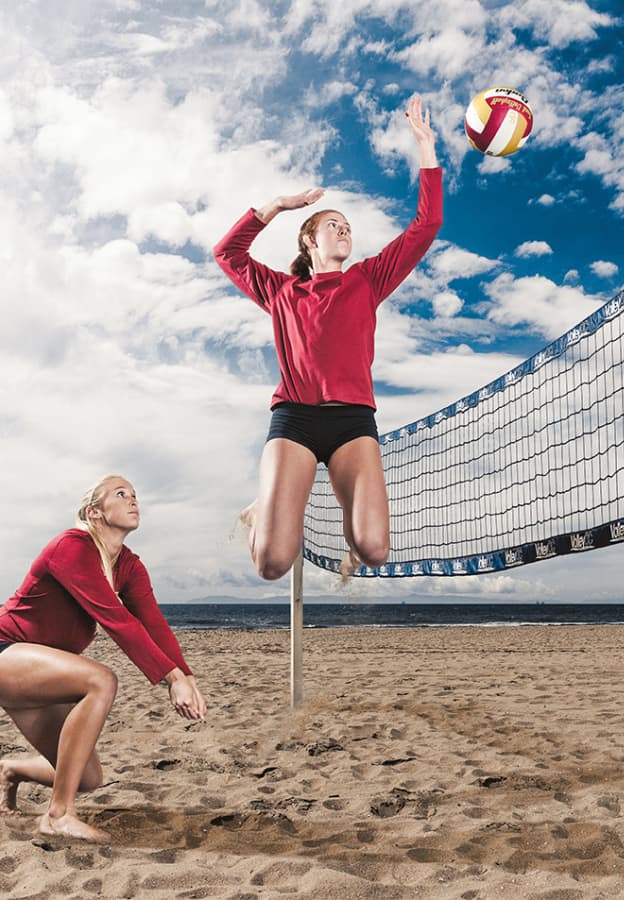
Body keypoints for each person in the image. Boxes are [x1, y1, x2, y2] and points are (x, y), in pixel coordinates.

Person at [213, 93, 443, 581]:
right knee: (272, 563)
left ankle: (339, 514)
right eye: (333, 226)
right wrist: (277, 205)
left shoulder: (367, 279)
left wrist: (425, 148)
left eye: (348, 227)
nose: (344, 231)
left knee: (374, 549)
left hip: (352, 422)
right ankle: (265, 511)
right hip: (294, 419)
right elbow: (227, 254)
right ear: (309, 240)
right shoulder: (280, 290)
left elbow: (426, 226)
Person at [0, 475, 206, 843]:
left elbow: (153, 623)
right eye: (121, 493)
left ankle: (10, 769)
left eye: (135, 494)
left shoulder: (128, 565)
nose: (133, 500)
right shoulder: (73, 546)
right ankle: (58, 816)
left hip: (34, 672)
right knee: (101, 679)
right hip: (5, 651)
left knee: (87, 778)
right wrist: (171, 679)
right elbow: (119, 621)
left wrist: (186, 677)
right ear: (94, 512)